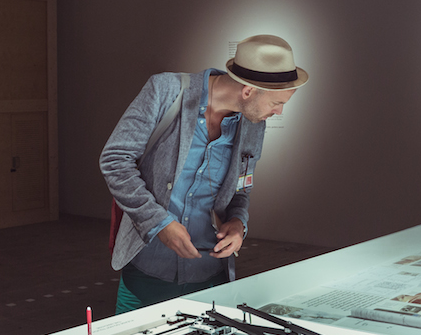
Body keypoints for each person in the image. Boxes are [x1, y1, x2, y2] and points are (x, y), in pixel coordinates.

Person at [100, 34, 308, 314]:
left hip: (212, 286)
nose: (279, 111)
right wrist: (158, 223)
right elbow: (115, 159)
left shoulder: (253, 125)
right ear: (248, 91)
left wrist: (238, 222)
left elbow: (242, 187)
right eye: (276, 103)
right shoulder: (164, 90)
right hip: (143, 280)